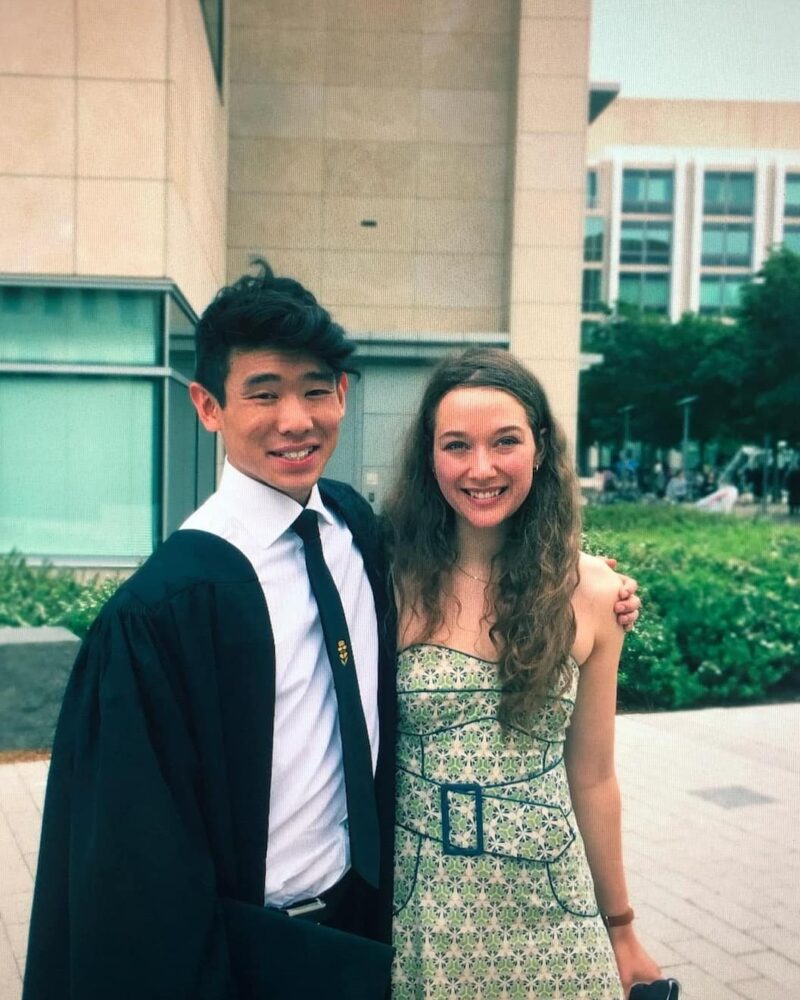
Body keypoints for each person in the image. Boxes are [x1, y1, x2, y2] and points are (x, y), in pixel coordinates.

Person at [23, 263, 641, 1000]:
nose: (295, 419)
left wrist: (586, 576)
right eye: (263, 393)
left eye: (315, 390)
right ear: (206, 406)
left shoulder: (354, 531)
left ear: (343, 395)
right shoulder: (161, 612)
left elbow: (479, 543)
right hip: (247, 953)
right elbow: (128, 863)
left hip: (365, 934)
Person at [385, 349, 660, 999]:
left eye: (505, 441)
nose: (481, 468)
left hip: (552, 922)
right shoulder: (387, 579)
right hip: (428, 921)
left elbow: (593, 777)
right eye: (457, 445)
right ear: (431, 458)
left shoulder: (593, 590)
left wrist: (621, 928)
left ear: (540, 448)